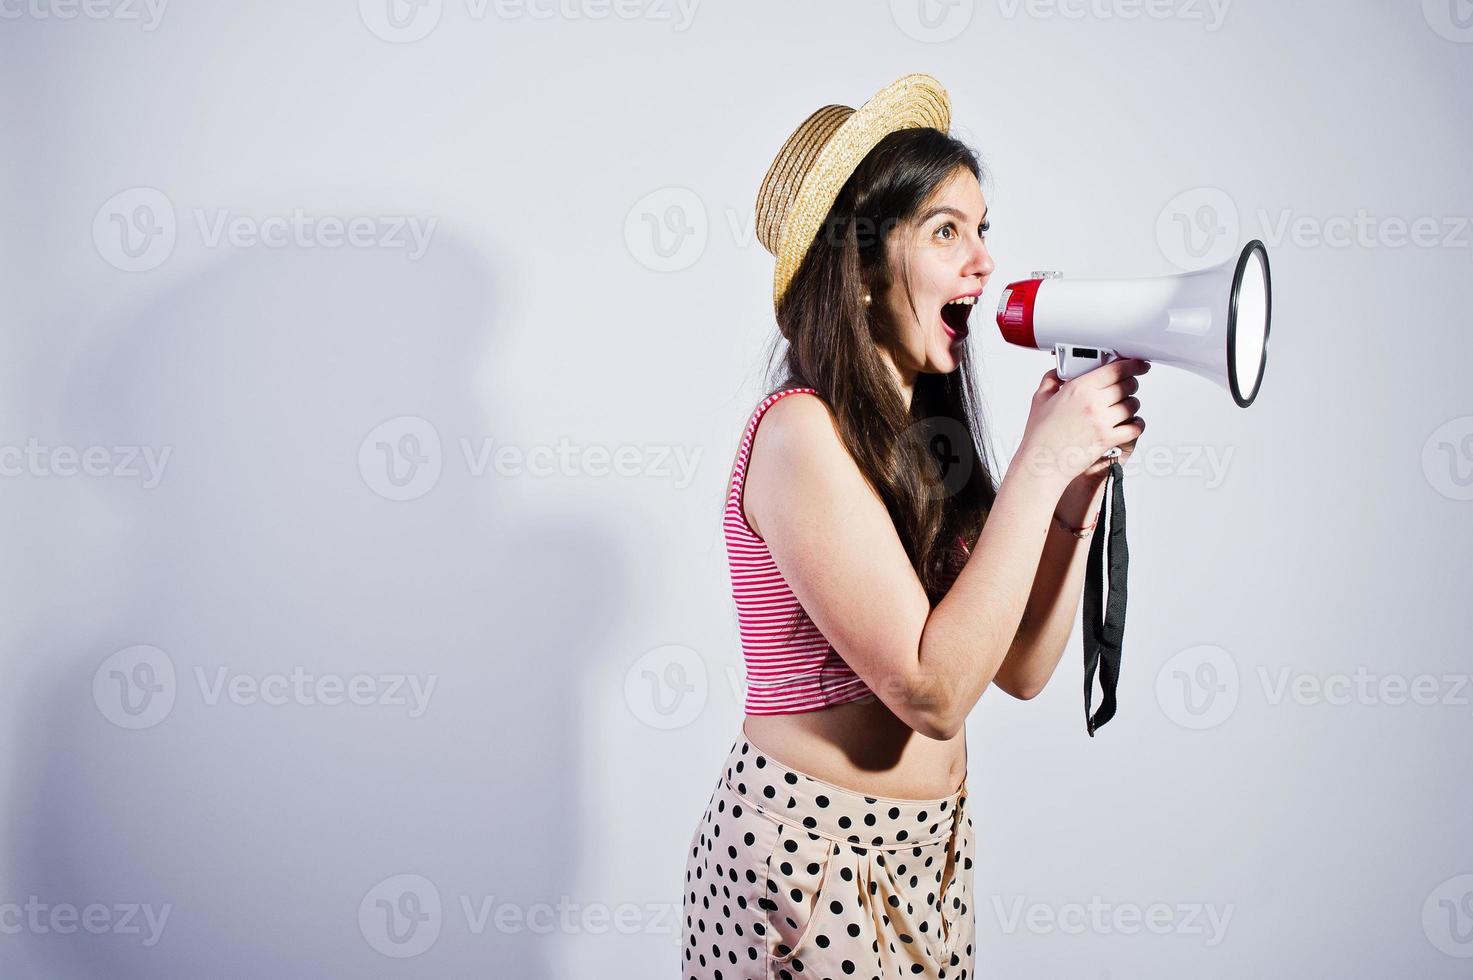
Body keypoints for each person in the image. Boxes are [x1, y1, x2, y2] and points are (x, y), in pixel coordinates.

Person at [679, 73, 1149, 980]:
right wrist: (1040, 462)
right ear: (857, 270)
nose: (981, 262)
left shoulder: (927, 442)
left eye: (981, 231)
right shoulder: (798, 434)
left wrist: (1071, 495)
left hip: (928, 853)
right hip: (808, 862)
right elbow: (931, 694)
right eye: (945, 231)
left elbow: (1016, 667)